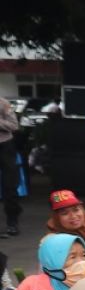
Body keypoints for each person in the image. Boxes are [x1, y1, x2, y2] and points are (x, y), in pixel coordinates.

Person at [0, 98, 21, 238]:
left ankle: (12, 222)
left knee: (9, 185)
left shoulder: (3, 104)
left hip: (4, 145)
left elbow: (14, 125)